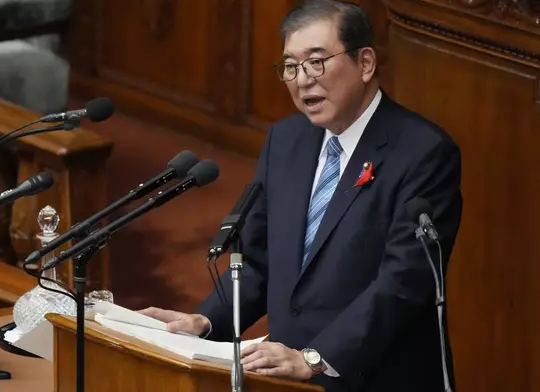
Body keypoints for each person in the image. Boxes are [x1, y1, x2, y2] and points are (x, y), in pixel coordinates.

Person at [139, 1, 463, 391]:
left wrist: (315, 357)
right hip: (287, 379)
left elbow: (404, 282)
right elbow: (259, 262)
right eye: (290, 66)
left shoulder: (423, 152)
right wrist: (206, 321)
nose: (302, 79)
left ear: (365, 63)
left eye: (316, 61)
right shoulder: (286, 140)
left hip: (374, 376)